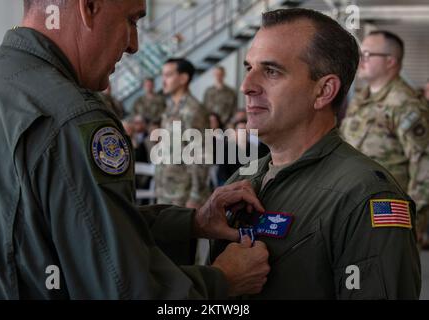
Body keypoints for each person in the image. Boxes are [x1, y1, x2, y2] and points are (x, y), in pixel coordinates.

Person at [0, 0, 270, 299]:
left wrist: (191, 222)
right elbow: (124, 288)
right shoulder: (73, 119)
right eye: (131, 20)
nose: (134, 45)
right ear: (88, 7)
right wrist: (224, 280)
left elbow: (67, 227)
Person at [211, 8, 421, 299]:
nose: (246, 86)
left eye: (271, 71)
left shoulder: (366, 197)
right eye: (249, 68)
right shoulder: (245, 176)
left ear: (323, 92)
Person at [340, 30, 429, 244]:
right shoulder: (362, 98)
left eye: (368, 54)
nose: (361, 60)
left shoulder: (405, 104)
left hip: (389, 213)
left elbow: (425, 165)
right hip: (353, 206)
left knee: (385, 276)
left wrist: (415, 220)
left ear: (390, 61)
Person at [155, 58, 210, 209]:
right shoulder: (170, 107)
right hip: (166, 189)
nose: (163, 81)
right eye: (163, 75)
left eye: (168, 75)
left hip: (183, 196)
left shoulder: (193, 110)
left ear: (183, 79)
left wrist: (195, 196)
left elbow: (201, 155)